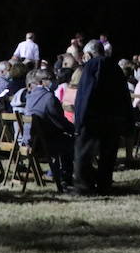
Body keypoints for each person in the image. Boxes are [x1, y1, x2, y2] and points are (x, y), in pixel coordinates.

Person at [72, 39, 131, 195]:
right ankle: (104, 185)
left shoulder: (91, 66)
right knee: (107, 155)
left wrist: (79, 121)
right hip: (113, 118)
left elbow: (85, 94)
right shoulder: (115, 67)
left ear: (89, 54)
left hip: (93, 118)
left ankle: (84, 187)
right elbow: (124, 94)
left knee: (83, 154)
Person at [24, 68, 74, 189]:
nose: (54, 81)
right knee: (70, 142)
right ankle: (66, 177)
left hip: (29, 141)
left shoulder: (30, 96)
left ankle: (61, 173)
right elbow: (60, 121)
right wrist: (74, 130)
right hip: (43, 143)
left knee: (64, 139)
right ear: (42, 81)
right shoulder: (49, 98)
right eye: (51, 79)